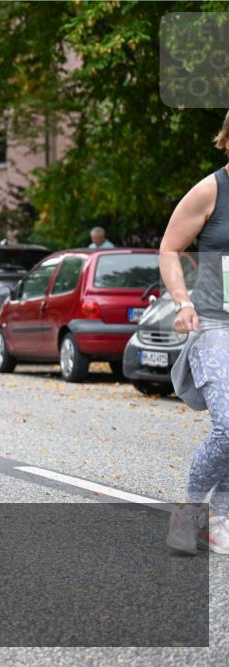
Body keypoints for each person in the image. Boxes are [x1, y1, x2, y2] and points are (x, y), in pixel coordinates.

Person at [162, 110, 229, 556]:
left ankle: (220, 518)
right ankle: (188, 513)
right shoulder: (211, 190)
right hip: (215, 322)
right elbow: (170, 247)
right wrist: (183, 302)